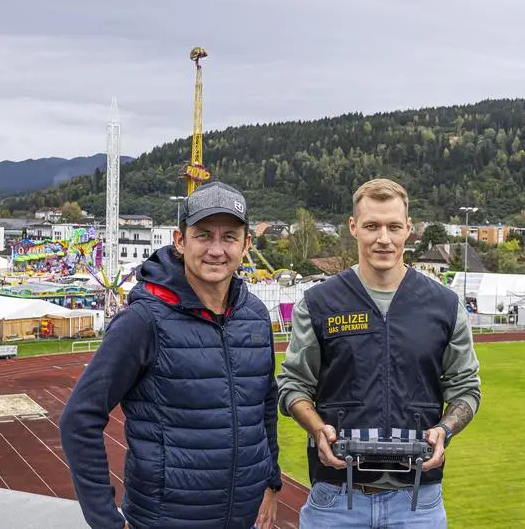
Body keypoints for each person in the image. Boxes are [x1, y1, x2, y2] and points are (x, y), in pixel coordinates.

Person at [60, 181, 282, 529]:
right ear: (180, 241)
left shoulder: (253, 315)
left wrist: (271, 478)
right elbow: (79, 418)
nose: (216, 249)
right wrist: (107, 521)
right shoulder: (143, 321)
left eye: (229, 237)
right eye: (203, 235)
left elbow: (265, 403)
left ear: (246, 245)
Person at [277, 178, 482, 527]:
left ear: (408, 229)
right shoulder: (319, 303)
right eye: (372, 226)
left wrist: (444, 430)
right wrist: (317, 430)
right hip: (337, 500)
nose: (383, 238)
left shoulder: (444, 305)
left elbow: (466, 389)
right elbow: (293, 386)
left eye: (393, 226)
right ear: (354, 227)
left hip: (418, 502)